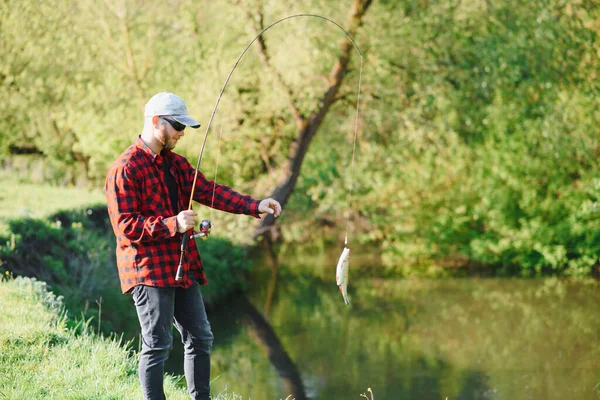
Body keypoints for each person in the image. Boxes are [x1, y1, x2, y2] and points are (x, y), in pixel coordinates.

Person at [104, 92, 282, 400]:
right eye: (177, 126)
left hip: (180, 265)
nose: (182, 133)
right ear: (156, 121)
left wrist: (256, 205)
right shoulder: (125, 168)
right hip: (147, 270)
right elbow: (126, 227)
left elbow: (210, 191)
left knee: (201, 337)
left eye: (185, 127)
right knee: (157, 344)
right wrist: (174, 223)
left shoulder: (176, 165)